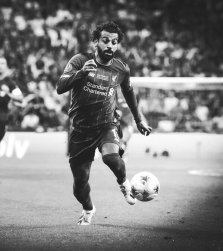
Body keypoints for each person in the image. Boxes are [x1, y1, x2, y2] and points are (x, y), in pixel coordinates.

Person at [56, 21, 152, 225]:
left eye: (114, 42)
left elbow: (129, 94)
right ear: (95, 42)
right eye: (106, 40)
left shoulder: (121, 69)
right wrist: (81, 73)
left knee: (111, 158)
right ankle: (88, 208)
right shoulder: (79, 60)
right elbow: (60, 87)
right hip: (80, 131)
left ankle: (123, 183)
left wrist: (139, 120)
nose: (110, 45)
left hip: (106, 125)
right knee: (80, 183)